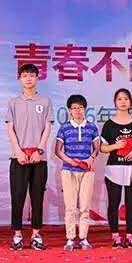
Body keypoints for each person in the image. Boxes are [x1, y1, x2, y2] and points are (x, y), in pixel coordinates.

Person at [6, 63, 54, 250]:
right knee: (17, 196)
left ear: (37, 78)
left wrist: (39, 150)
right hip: (18, 158)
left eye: (32, 75)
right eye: (25, 75)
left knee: (37, 197)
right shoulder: (13, 102)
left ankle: (36, 234)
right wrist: (18, 151)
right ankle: (17, 234)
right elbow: (10, 128)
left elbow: (48, 128)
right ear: (19, 78)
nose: (28, 79)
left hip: (38, 159)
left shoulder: (45, 101)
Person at [100, 88, 132, 248]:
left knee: (131, 203)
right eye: (119, 99)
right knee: (113, 203)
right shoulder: (109, 124)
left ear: (130, 102)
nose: (123, 101)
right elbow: (102, 148)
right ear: (115, 102)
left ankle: (130, 235)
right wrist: (115, 146)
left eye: (126, 99)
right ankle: (115, 235)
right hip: (114, 168)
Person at [54, 94, 100, 251]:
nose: (78, 111)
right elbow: (57, 151)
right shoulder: (64, 128)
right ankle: (70, 238)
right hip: (69, 171)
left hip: (87, 171)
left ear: (85, 109)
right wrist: (71, 161)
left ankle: (84, 238)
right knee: (70, 207)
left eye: (80, 107)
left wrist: (91, 158)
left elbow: (97, 148)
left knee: (85, 206)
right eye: (74, 108)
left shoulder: (92, 127)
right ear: (69, 110)